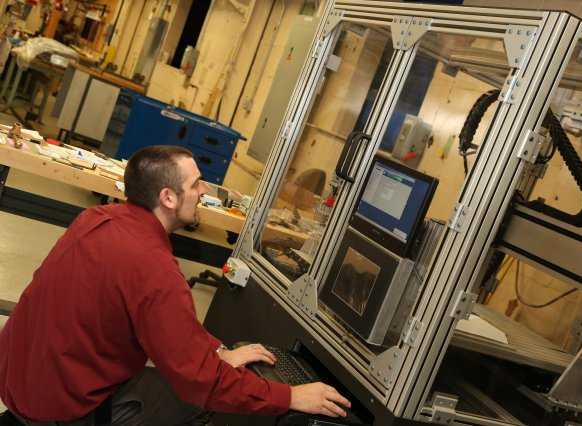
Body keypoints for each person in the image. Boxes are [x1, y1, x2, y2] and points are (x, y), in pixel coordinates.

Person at [0, 146, 350, 425]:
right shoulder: (154, 268)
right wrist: (290, 396)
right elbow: (202, 383)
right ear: (168, 197)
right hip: (62, 410)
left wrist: (216, 352)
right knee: (197, 401)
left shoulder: (96, 218)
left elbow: (166, 324)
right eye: (196, 184)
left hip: (20, 381)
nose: (204, 190)